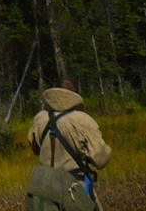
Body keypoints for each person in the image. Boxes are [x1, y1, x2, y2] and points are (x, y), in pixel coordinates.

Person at [26, 80, 111, 211]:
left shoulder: (41, 118)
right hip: (74, 188)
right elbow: (100, 159)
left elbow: (35, 148)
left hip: (45, 188)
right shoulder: (81, 119)